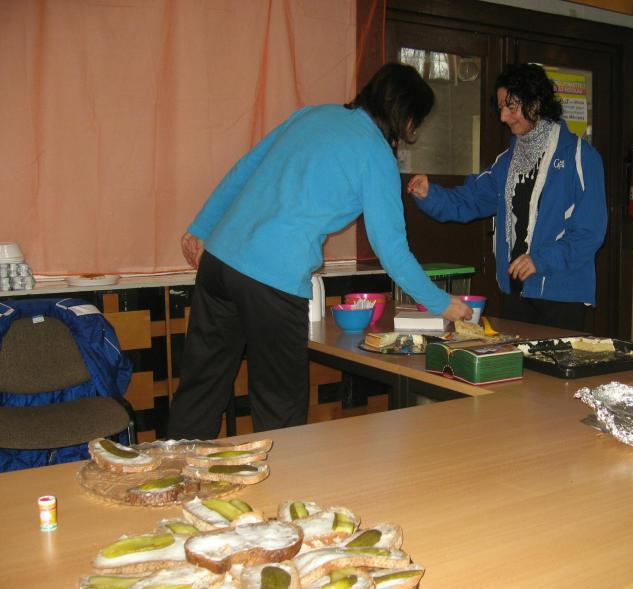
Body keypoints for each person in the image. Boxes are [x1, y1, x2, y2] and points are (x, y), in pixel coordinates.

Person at [168, 63, 472, 440]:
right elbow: (392, 251)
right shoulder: (376, 155)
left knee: (200, 389)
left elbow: (245, 169)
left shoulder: (312, 115)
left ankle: (171, 471)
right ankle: (284, 481)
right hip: (272, 280)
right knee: (279, 407)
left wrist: (201, 226)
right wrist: (442, 303)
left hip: (219, 261)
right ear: (407, 118)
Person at [408, 63, 607, 331]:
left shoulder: (580, 156)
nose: (503, 116)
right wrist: (429, 194)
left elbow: (589, 232)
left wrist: (540, 260)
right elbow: (471, 199)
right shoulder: (507, 162)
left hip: (561, 294)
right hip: (515, 292)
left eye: (511, 107)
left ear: (535, 103)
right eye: (501, 107)